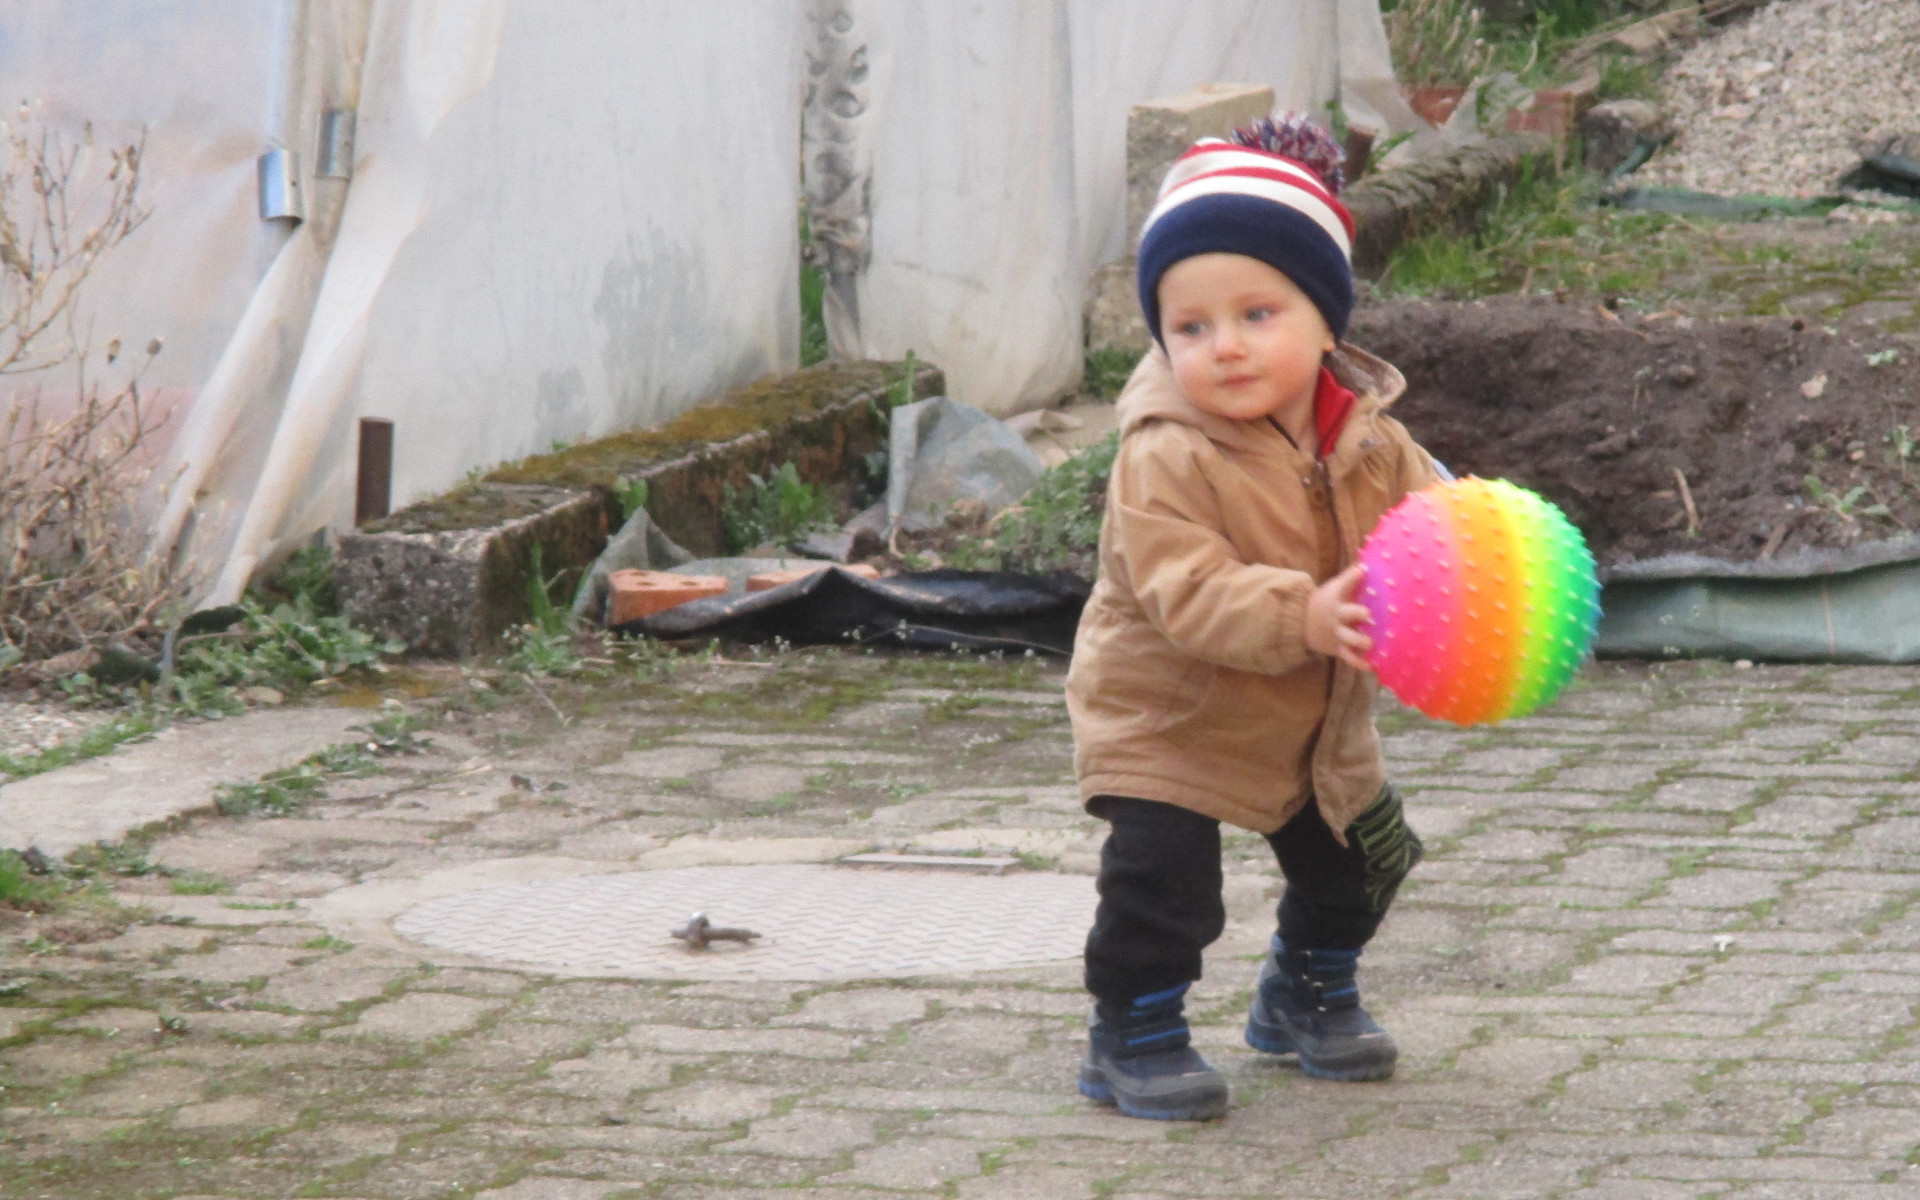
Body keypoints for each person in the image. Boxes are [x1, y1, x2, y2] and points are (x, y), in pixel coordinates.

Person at [1067, 116, 1442, 1122]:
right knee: (1163, 889)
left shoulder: (1372, 435)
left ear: (1326, 321)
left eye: (1257, 313)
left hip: (1311, 714)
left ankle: (1306, 990)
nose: (1224, 346)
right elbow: (1185, 588)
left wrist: (1486, 568)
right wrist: (1304, 614)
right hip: (1172, 711)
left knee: (1369, 859)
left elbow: (1435, 522)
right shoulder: (1165, 452)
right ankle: (1134, 1029)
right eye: (1190, 328)